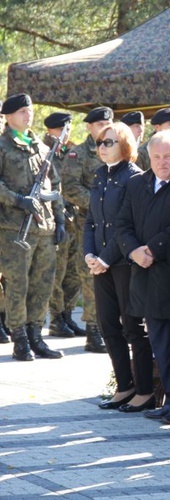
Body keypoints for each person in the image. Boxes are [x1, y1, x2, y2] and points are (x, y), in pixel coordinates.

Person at [117, 131, 170, 416]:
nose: (163, 162)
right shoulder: (136, 184)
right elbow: (122, 224)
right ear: (148, 157)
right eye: (157, 157)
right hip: (144, 277)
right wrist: (133, 251)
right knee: (160, 346)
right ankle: (169, 401)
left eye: (169, 156)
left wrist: (151, 249)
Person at [85, 122, 153, 411]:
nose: (102, 147)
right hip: (101, 263)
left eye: (109, 142)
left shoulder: (133, 178)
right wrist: (89, 253)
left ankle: (145, 389)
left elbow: (126, 225)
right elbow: (91, 221)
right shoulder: (101, 176)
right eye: (100, 142)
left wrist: (105, 258)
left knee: (133, 327)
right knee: (108, 325)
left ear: (125, 145)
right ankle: (123, 386)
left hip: (123, 263)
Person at [0, 93, 66, 361]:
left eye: (30, 111)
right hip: (15, 229)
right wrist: (18, 200)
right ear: (8, 116)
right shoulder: (3, 145)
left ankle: (36, 335)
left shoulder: (39, 144)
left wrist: (60, 218)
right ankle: (20, 338)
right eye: (22, 112)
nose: (29, 115)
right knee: (18, 285)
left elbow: (55, 184)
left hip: (45, 227)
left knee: (43, 284)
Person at [62, 106, 113, 348]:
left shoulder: (117, 151)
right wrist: (97, 204)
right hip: (87, 223)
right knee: (90, 275)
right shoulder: (78, 154)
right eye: (100, 125)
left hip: (114, 224)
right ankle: (94, 330)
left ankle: (109, 324)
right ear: (90, 127)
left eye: (107, 124)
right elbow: (70, 188)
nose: (104, 129)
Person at [43, 112, 81, 340]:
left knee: (73, 271)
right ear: (54, 129)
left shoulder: (68, 152)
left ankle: (67, 314)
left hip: (73, 219)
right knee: (57, 273)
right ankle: (56, 318)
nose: (68, 132)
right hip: (56, 220)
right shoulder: (44, 150)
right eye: (66, 127)